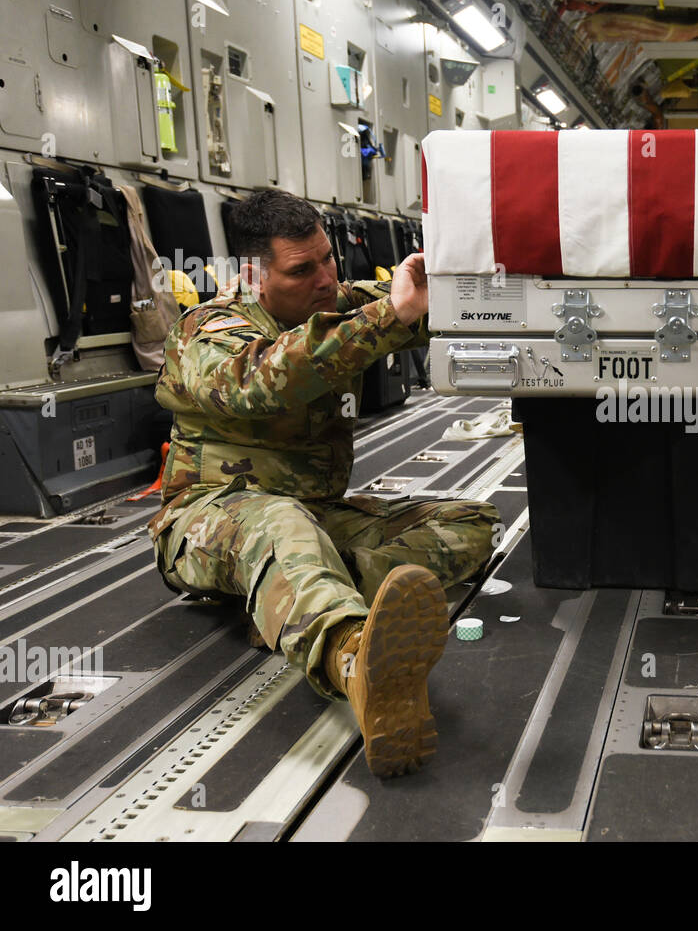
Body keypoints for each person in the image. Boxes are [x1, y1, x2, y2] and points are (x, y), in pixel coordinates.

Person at [147, 190, 499, 776]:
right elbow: (265, 381)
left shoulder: (336, 307)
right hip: (211, 519)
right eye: (302, 269)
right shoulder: (207, 331)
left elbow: (434, 312)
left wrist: (457, 283)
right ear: (255, 275)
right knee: (280, 523)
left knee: (469, 525)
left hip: (311, 515)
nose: (325, 279)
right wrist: (391, 315)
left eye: (329, 259)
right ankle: (355, 663)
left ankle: (286, 597)